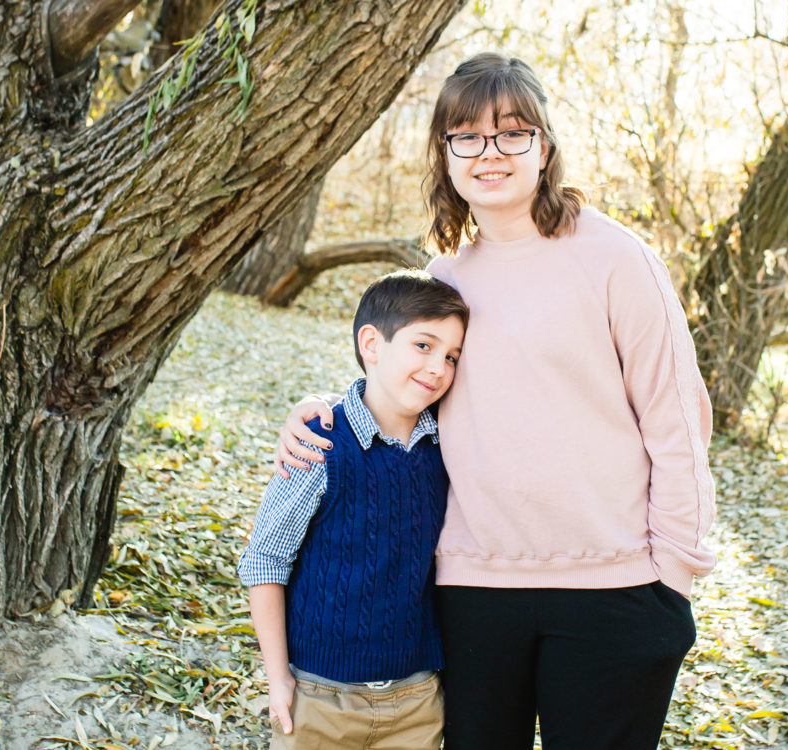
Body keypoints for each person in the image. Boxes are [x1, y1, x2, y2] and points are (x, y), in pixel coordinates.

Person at [275, 52, 716, 750]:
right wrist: (318, 407)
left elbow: (676, 418)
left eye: (512, 132)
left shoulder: (616, 258)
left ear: (544, 146)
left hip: (618, 589)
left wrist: (674, 578)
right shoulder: (446, 279)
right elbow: (403, 395)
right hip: (471, 595)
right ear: (446, 154)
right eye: (467, 136)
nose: (490, 152)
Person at [239, 270, 468, 750]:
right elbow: (265, 560)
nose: (438, 368)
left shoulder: (449, 446)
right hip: (320, 695)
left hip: (417, 696)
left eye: (452, 356)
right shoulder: (320, 444)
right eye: (424, 346)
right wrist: (278, 677)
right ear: (372, 343)